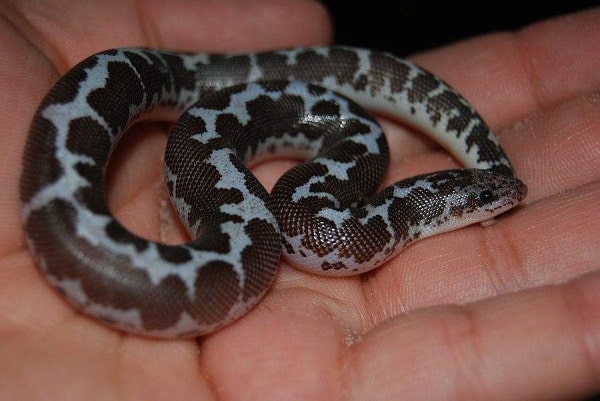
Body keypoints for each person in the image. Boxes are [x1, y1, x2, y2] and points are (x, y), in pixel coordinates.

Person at [1, 1, 599, 399]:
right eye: (487, 195)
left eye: (485, 194)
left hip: (287, 162)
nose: (502, 198)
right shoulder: (318, 208)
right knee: (177, 116)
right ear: (442, 207)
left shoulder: (345, 184)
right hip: (145, 100)